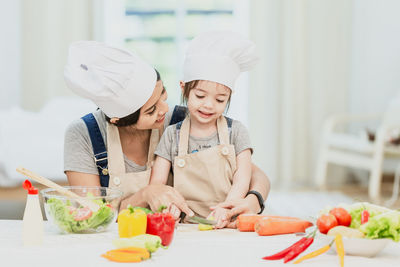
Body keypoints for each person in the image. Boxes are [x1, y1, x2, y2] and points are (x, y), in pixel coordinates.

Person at [63, 41, 270, 224]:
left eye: (162, 94)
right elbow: (93, 213)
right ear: (118, 120)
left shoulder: (184, 121)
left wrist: (252, 201)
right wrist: (147, 194)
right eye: (151, 110)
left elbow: (255, 175)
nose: (164, 109)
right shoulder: (84, 135)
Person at [150, 31, 258, 228]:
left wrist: (227, 208)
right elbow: (157, 183)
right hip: (185, 224)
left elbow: (243, 177)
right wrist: (168, 204)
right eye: (200, 96)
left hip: (227, 222)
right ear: (184, 89)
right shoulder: (172, 135)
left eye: (219, 100)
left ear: (230, 96)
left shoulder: (237, 131)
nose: (209, 105)